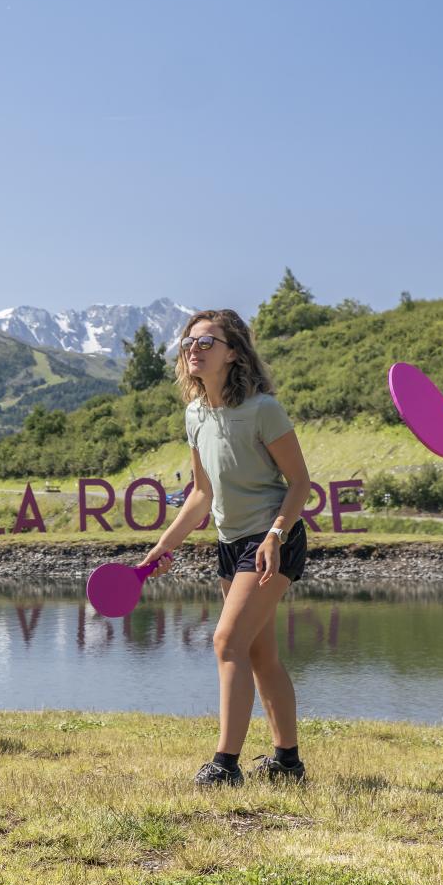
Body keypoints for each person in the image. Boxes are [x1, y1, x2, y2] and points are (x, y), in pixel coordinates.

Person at [134, 310, 314, 786]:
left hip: (273, 538)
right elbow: (201, 493)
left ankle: (225, 764)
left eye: (207, 342)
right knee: (259, 654)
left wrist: (276, 535)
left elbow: (300, 483)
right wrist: (162, 546)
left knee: (226, 641)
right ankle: (287, 763)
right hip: (229, 543)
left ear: (234, 353)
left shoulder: (262, 410)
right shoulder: (194, 414)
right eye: (188, 342)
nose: (194, 349)